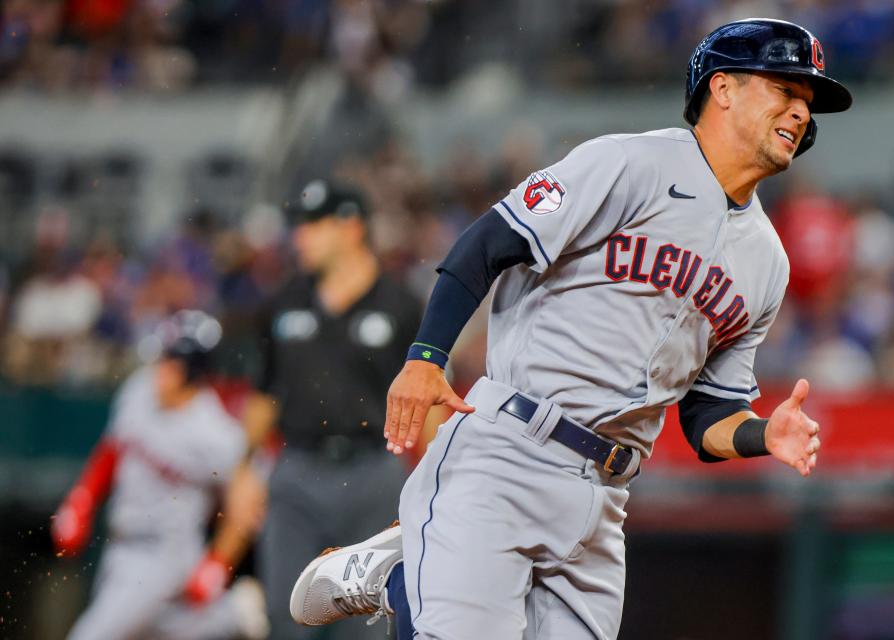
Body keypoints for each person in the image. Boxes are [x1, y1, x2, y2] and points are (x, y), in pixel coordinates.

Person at [289, 18, 851, 640]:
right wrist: (426, 357)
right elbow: (489, 243)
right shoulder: (630, 163)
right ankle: (410, 574)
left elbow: (707, 416)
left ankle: (415, 566)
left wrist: (761, 433)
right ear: (723, 89)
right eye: (786, 90)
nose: (801, 111)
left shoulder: (768, 262)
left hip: (605, 498)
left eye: (808, 101)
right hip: (510, 451)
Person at [239, 179, 421, 640]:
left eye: (314, 225)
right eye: (300, 225)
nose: (300, 236)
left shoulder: (401, 306)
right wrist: (243, 471)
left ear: (351, 227)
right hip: (296, 470)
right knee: (284, 618)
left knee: (365, 627)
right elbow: (263, 398)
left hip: (372, 476)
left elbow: (429, 409)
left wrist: (433, 480)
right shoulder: (283, 302)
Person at [51, 310, 269, 640]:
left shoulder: (216, 433)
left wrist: (217, 563)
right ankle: (228, 616)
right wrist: (81, 500)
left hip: (166, 553)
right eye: (162, 358)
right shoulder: (138, 390)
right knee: (151, 632)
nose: (161, 369)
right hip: (119, 543)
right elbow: (112, 449)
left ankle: (224, 616)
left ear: (195, 370)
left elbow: (245, 506)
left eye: (172, 362)